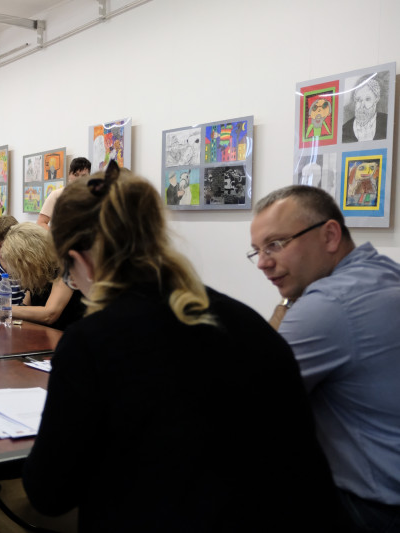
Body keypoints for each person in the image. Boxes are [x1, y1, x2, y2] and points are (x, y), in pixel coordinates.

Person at [22, 161, 347, 531]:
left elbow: (49, 493)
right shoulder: (248, 323)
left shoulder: (90, 343)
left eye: (69, 273)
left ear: (82, 261)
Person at [249, 185, 400, 531]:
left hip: (376, 509)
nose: (262, 262)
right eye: (257, 250)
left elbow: (252, 401)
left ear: (330, 236)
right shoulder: (382, 272)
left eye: (276, 244)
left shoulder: (330, 304)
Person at [0, 222, 85, 330]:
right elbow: (25, 308)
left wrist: (1, 308)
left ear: (30, 256)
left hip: (71, 335)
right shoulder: (34, 273)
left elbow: (50, 314)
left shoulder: (64, 267)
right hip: (45, 334)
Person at [36, 156, 91, 230]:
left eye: (84, 176)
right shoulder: (56, 195)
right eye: (76, 175)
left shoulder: (94, 196)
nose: (79, 179)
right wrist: (57, 235)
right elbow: (41, 223)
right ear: (69, 174)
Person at [342, 76, 388, 143]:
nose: (362, 106)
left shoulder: (387, 121)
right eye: (358, 100)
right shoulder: (344, 129)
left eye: (367, 99)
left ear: (376, 99)